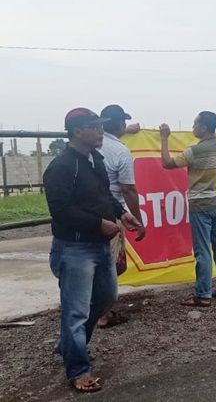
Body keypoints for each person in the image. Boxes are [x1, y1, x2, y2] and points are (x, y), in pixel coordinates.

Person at [44, 108, 142, 393]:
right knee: (75, 312)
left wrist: (121, 214)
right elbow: (60, 211)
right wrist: (98, 224)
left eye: (100, 127)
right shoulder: (61, 167)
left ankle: (68, 345)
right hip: (75, 248)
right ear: (77, 132)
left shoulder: (95, 160)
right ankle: (78, 369)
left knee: (106, 297)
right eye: (94, 127)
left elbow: (104, 197)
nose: (101, 132)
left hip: (99, 246)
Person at [159, 111, 216, 307]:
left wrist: (164, 139)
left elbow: (167, 163)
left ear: (203, 128)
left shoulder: (193, 152)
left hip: (200, 206)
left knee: (202, 251)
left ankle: (203, 294)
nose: (193, 127)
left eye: (195, 124)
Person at [95, 104, 146, 328]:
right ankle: (103, 313)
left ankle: (95, 308)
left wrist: (129, 130)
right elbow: (128, 189)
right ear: (120, 125)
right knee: (112, 264)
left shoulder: (91, 146)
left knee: (95, 262)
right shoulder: (120, 151)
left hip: (86, 212)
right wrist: (138, 218)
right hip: (111, 212)